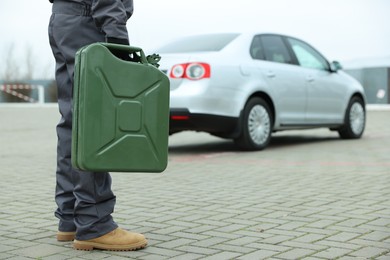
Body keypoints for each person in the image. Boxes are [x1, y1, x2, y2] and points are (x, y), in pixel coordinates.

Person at [48, 0, 147, 251]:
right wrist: (117, 40)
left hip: (65, 19)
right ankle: (95, 224)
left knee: (74, 121)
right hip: (88, 23)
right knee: (93, 123)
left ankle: (70, 217)